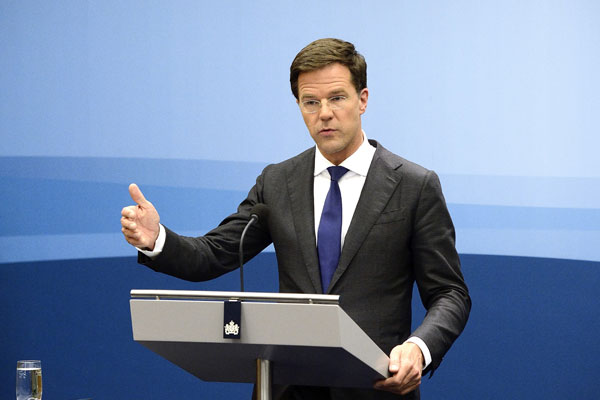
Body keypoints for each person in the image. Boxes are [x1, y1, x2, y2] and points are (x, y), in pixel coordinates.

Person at [121, 38, 470, 399]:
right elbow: (214, 254)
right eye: (311, 102)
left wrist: (418, 348)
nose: (324, 113)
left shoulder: (414, 185)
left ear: (363, 100)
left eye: (337, 98)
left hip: (376, 387)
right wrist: (156, 239)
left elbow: (450, 293)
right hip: (286, 388)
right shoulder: (278, 182)